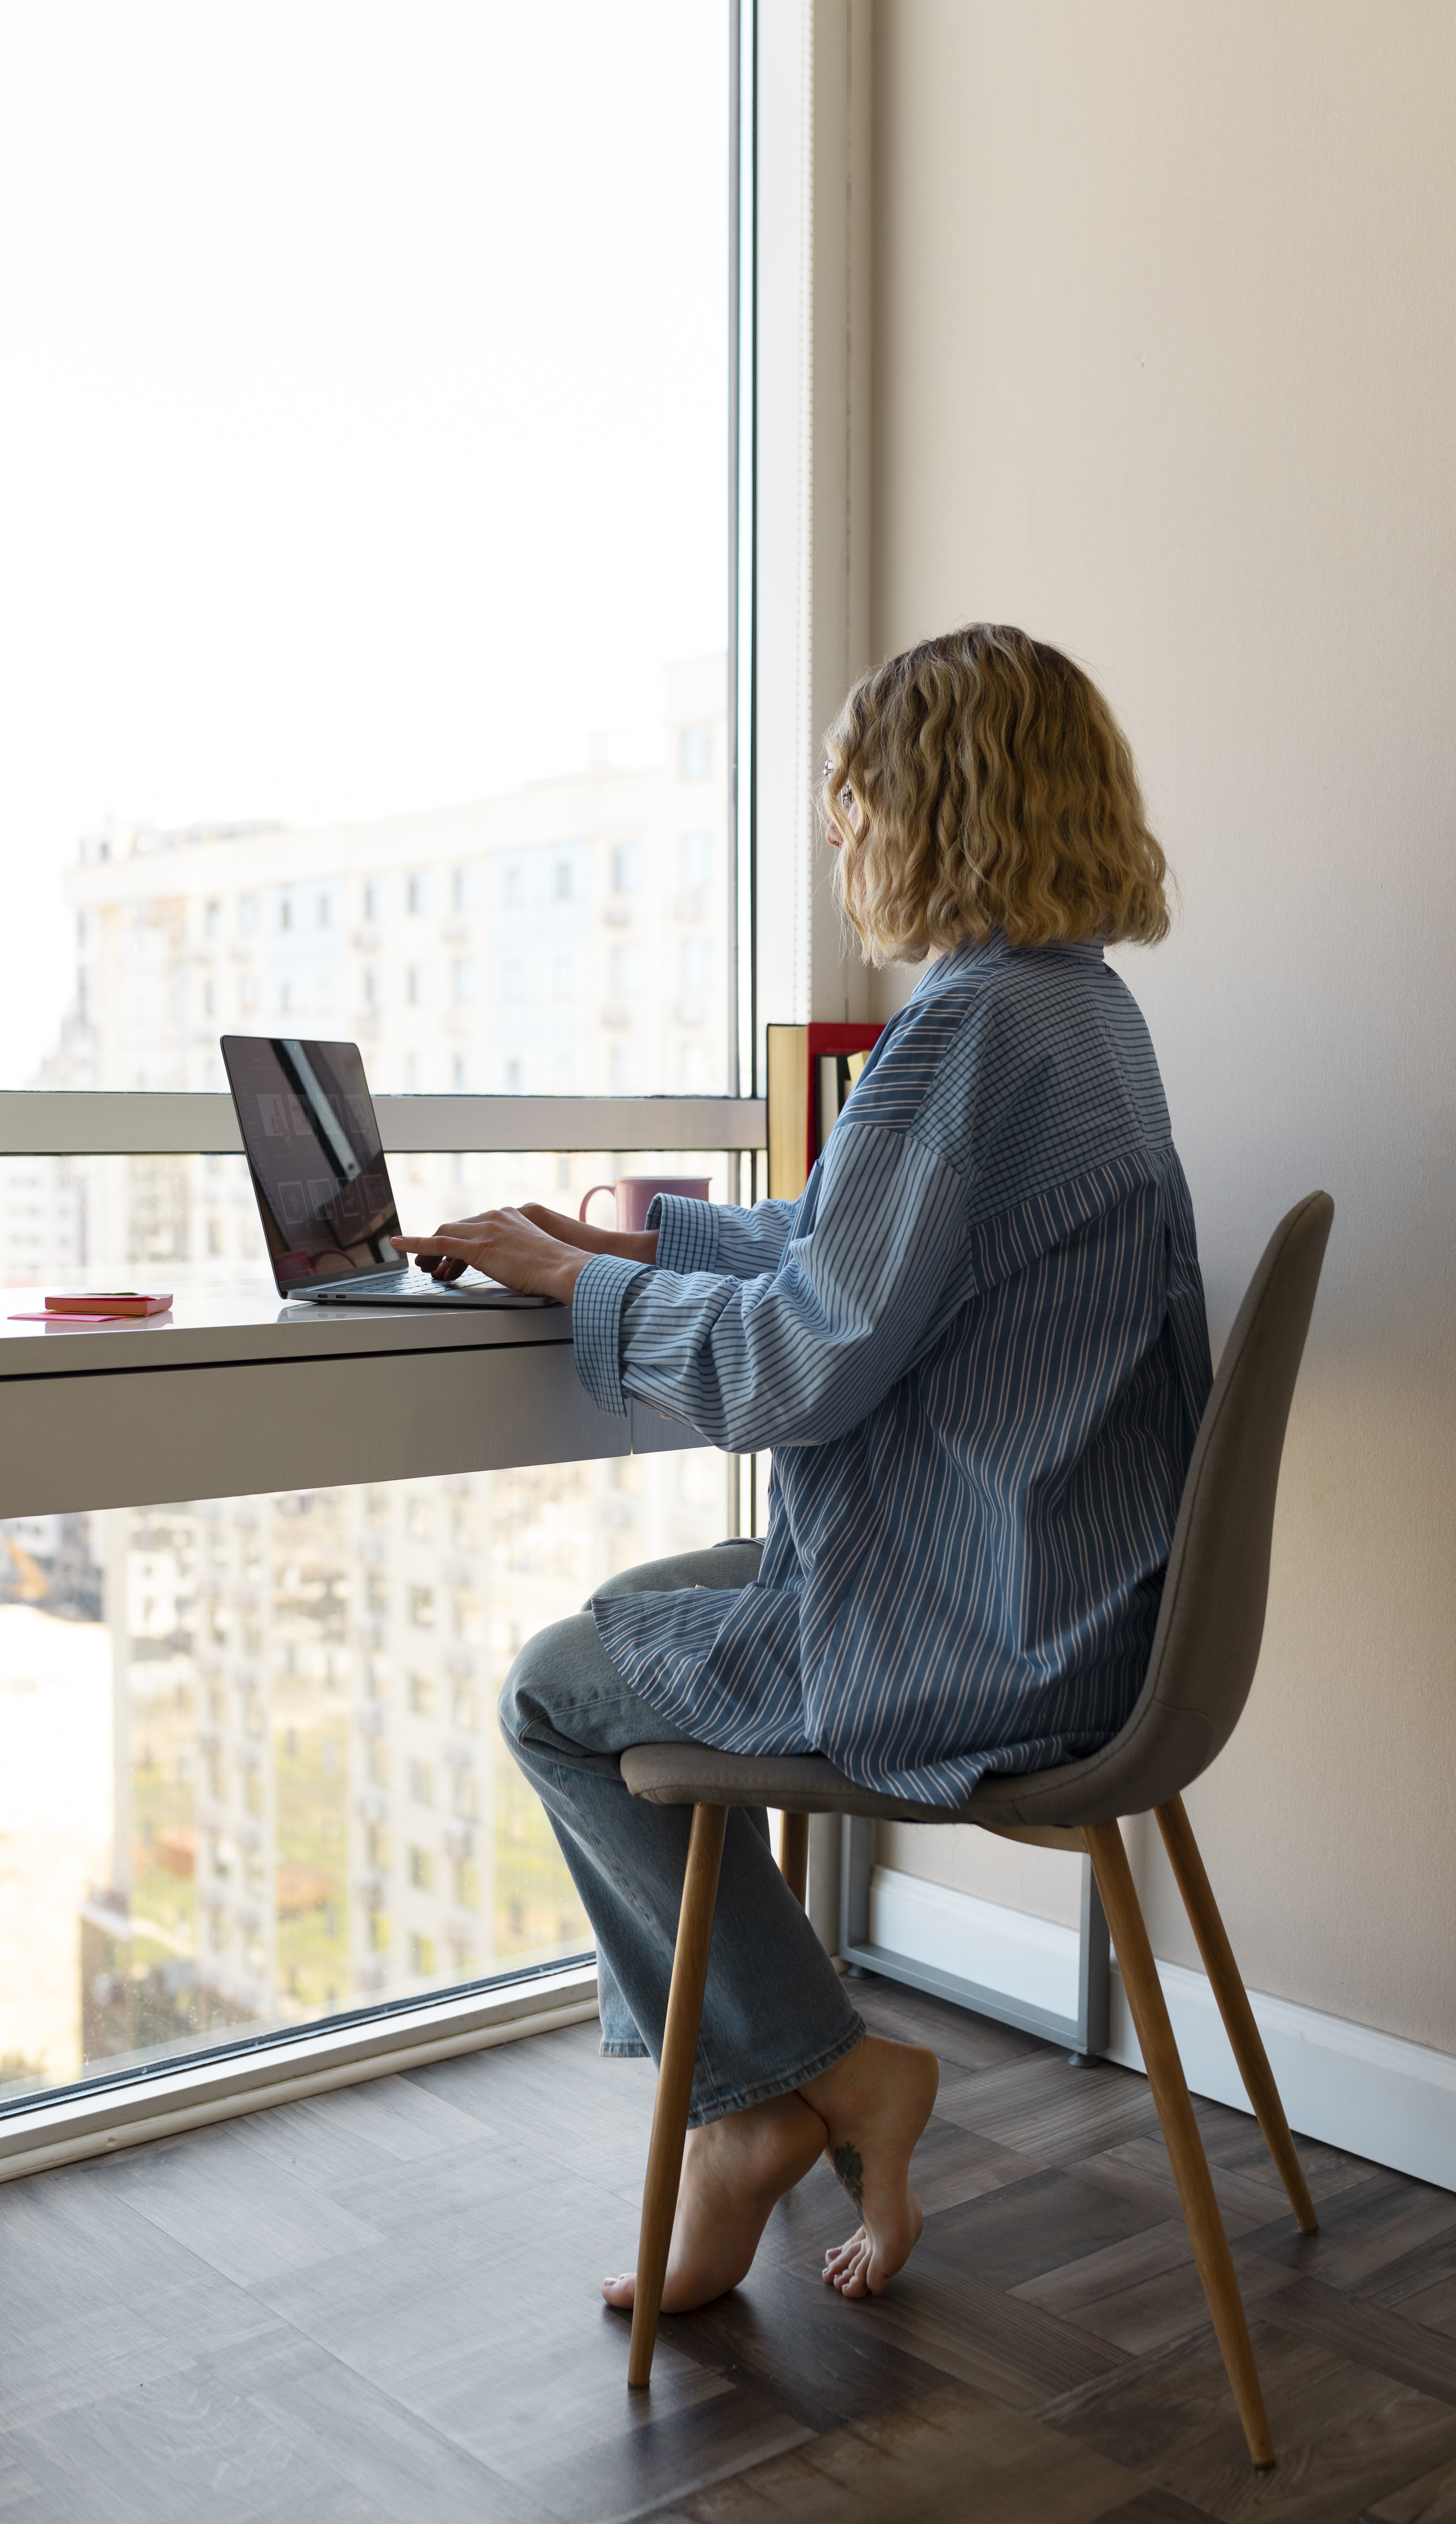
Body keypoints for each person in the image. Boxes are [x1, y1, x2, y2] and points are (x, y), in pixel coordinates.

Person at [393, 622, 1212, 2319]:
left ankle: (803, 2086)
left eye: (847, 796)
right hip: (1085, 1600)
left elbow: (803, 1363)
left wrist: (578, 1288)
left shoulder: (967, 1035)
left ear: (920, 802)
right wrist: (632, 1230)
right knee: (631, 1626)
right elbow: (867, 1242)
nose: (836, 831)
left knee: (559, 1691)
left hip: (979, 1636)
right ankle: (776, 2089)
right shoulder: (1078, 1017)